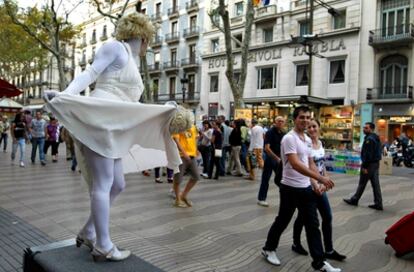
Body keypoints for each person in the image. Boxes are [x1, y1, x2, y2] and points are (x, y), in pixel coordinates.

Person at [44, 12, 182, 262]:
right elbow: (89, 74)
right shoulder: (114, 48)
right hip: (103, 120)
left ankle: (88, 231)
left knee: (117, 184)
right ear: (143, 36)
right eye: (148, 41)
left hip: (116, 123)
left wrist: (164, 109)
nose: (147, 47)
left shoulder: (129, 58)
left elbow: (131, 101)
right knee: (104, 183)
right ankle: (103, 245)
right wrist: (65, 95)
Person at [261, 106, 340, 272]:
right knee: (283, 220)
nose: (305, 121)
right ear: (294, 119)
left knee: (313, 224)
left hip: (305, 188)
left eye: (307, 117)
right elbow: (296, 164)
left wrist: (315, 183)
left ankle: (319, 262)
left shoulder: (307, 139)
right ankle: (269, 248)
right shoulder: (289, 138)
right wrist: (321, 178)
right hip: (289, 188)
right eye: (301, 117)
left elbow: (310, 162)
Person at [291, 119, 346, 261]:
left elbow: (322, 165)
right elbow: (306, 167)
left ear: (319, 128)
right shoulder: (305, 144)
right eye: (309, 127)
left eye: (314, 126)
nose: (312, 129)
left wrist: (325, 180)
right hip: (308, 187)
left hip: (320, 186)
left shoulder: (321, 143)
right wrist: (316, 185)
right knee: (302, 218)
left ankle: (329, 250)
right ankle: (296, 243)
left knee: (327, 217)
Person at [343, 122, 383, 210]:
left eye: (366, 128)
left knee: (362, 183)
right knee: (375, 184)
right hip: (375, 164)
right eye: (364, 127)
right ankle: (378, 203)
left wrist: (364, 166)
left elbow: (368, 155)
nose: (364, 129)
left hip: (369, 165)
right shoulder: (376, 137)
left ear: (371, 129)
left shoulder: (369, 139)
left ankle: (354, 200)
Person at [257, 116, 285, 207]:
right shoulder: (270, 132)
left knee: (281, 179)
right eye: (279, 121)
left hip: (279, 160)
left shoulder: (283, 134)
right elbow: (267, 148)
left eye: (282, 121)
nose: (280, 123)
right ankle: (261, 199)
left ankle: (286, 199)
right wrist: (276, 158)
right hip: (270, 159)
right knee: (265, 179)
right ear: (275, 122)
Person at [172, 124, 199, 208]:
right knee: (178, 179)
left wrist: (196, 149)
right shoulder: (178, 125)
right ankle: (177, 200)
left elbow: (195, 138)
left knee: (196, 177)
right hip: (181, 155)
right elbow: (176, 140)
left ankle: (183, 195)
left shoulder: (193, 126)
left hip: (192, 155)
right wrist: (184, 152)